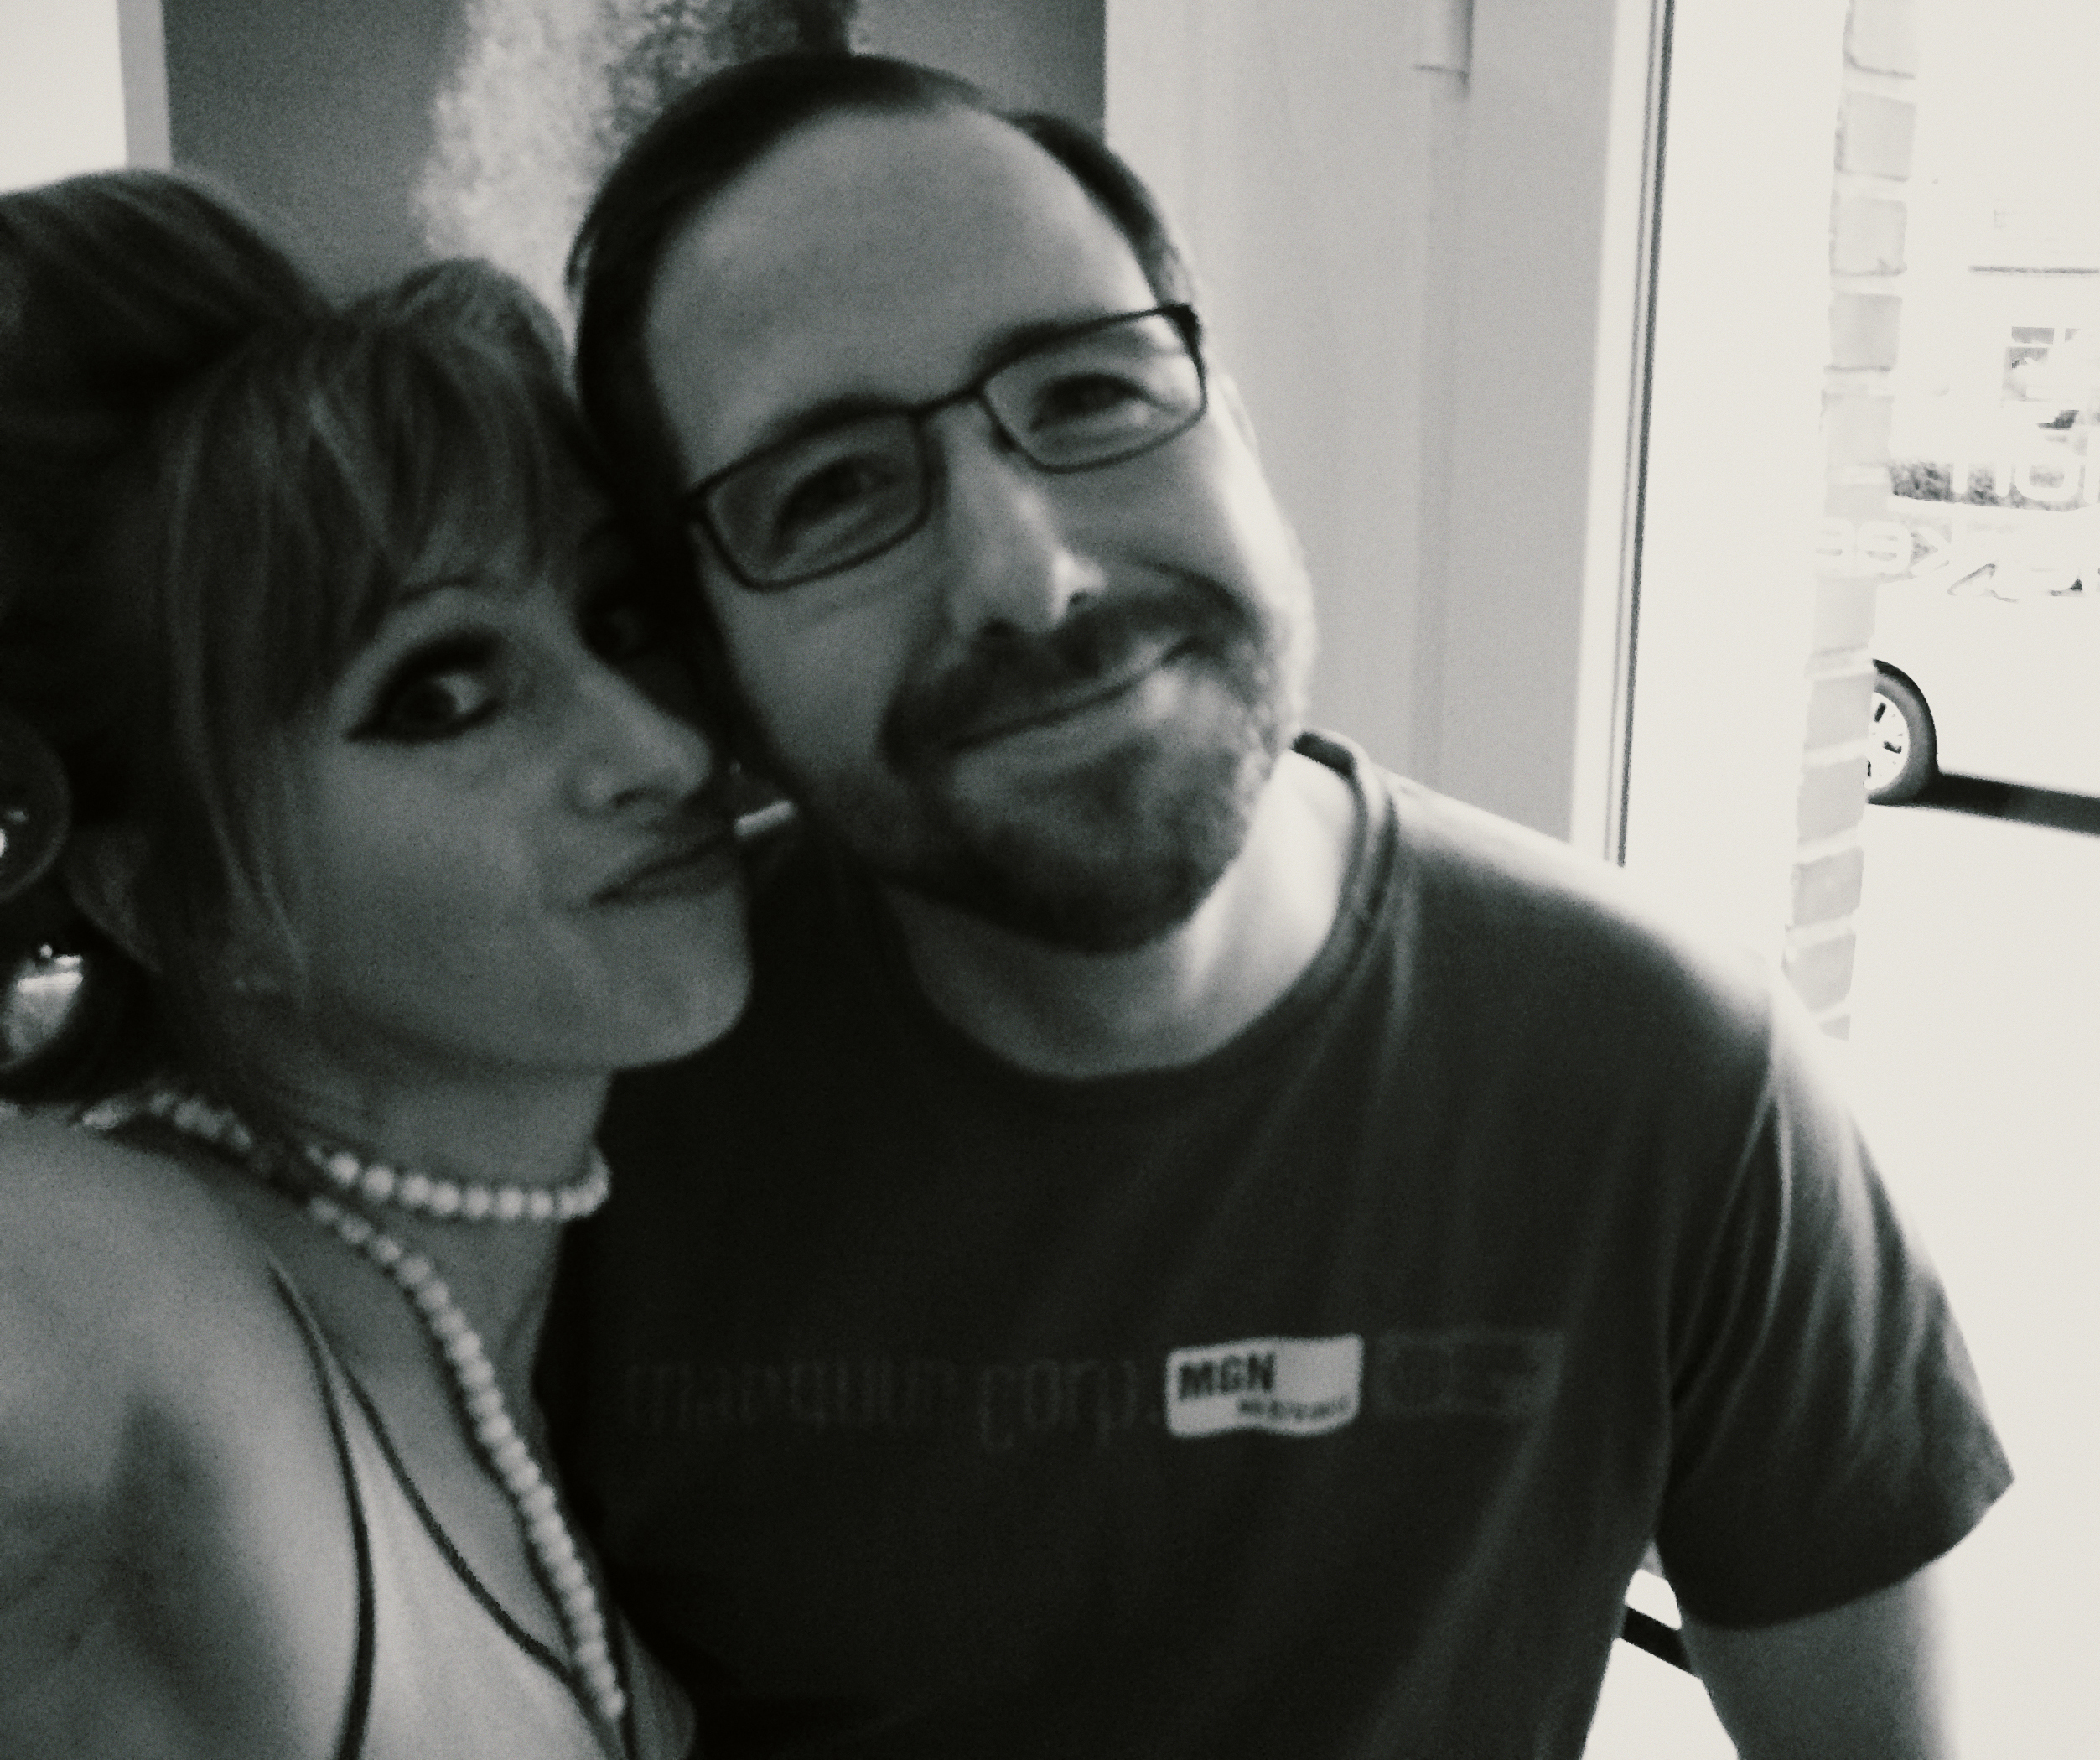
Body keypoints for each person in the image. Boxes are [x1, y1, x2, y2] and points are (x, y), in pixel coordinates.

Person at [542, 52, 2013, 1760]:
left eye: (1087, 393)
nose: (1028, 574)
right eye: (829, 493)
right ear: (703, 658)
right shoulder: (580, 1119)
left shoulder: (1678, 1079)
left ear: (1228, 424)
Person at [0, 171, 749, 1759]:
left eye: (619, 617)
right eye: (442, 697)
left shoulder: (526, 1348)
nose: (663, 751)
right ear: (179, 900)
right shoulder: (112, 1278)